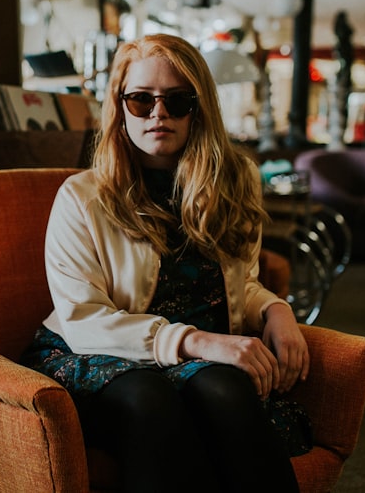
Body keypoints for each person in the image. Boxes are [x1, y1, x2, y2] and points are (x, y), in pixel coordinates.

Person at [21, 33, 310, 492]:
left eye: (177, 100)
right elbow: (83, 321)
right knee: (149, 398)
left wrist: (277, 309)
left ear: (200, 108)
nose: (159, 113)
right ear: (120, 107)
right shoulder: (82, 196)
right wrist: (197, 342)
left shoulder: (236, 181)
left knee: (227, 390)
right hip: (101, 353)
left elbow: (241, 284)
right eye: (141, 100)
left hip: (201, 360)